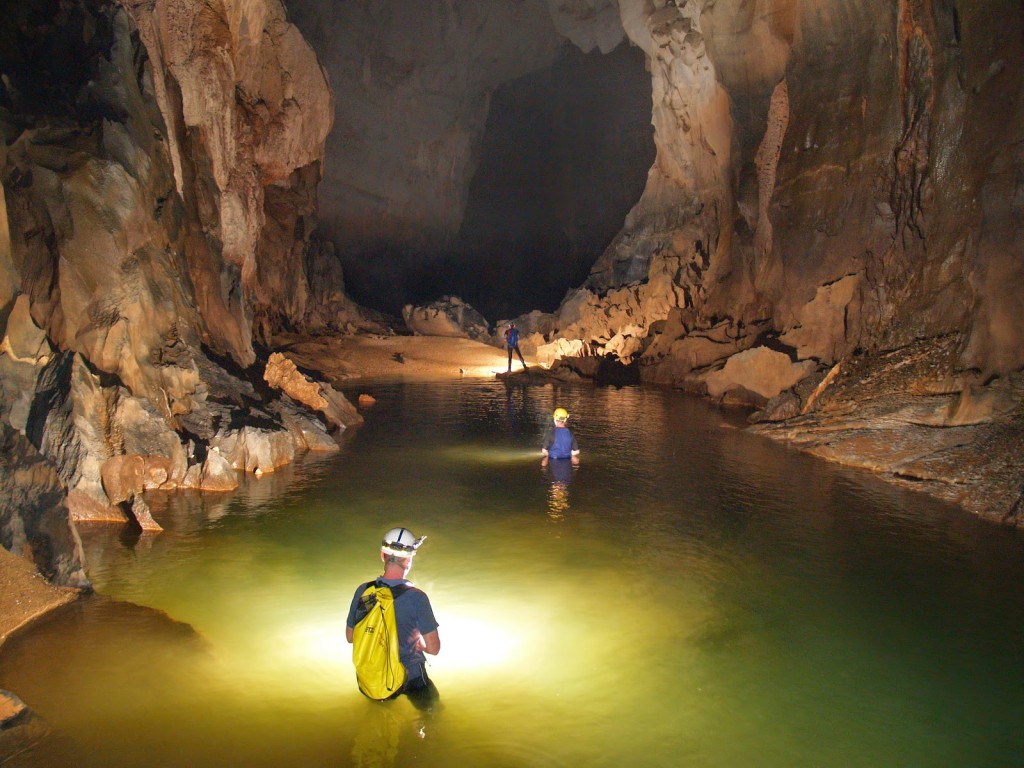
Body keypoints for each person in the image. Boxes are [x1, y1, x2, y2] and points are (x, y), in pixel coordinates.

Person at [346, 527, 440, 707]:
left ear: (383, 555)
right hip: (411, 676)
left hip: (377, 677)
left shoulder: (363, 591)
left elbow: (350, 637)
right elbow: (434, 648)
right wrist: (419, 644)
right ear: (408, 560)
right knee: (433, 715)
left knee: (382, 721)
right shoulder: (417, 597)